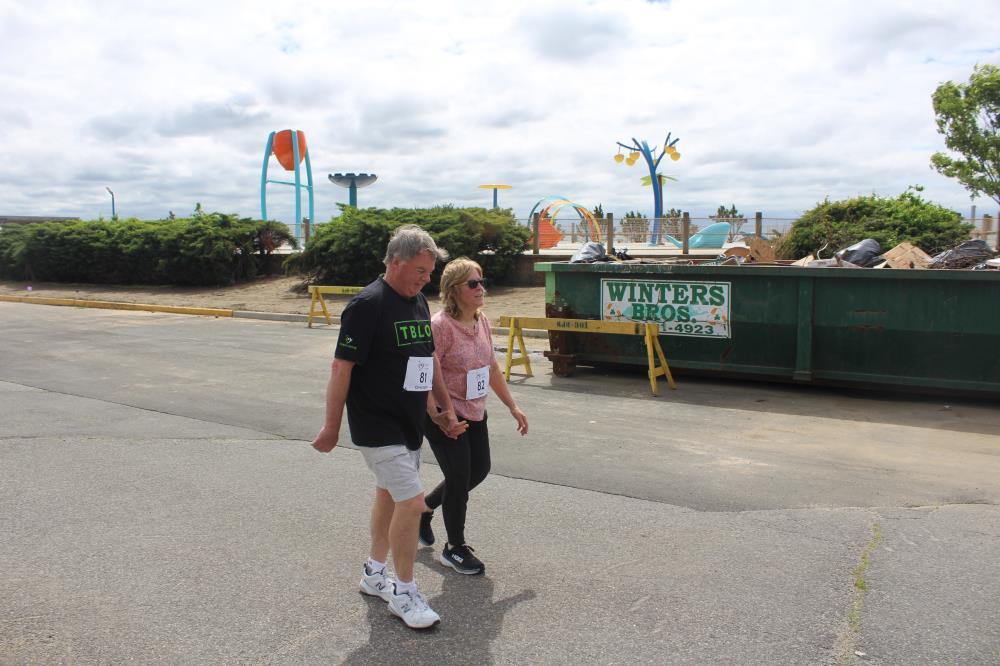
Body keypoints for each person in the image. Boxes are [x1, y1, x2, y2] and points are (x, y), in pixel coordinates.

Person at [311, 225, 467, 630]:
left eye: (429, 272)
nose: (426, 279)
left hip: (408, 423)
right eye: (419, 270)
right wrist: (331, 427)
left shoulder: (417, 301)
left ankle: (374, 573)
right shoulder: (367, 305)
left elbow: (427, 361)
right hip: (376, 424)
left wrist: (443, 410)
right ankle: (404, 592)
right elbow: (341, 368)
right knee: (413, 504)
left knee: (390, 497)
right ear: (395, 262)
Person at [420, 257, 529, 575]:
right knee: (458, 475)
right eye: (473, 283)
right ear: (454, 290)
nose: (481, 288)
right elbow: (425, 373)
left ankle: (424, 509)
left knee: (478, 470)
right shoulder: (440, 326)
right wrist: (438, 413)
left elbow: (491, 367)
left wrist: (512, 406)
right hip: (444, 415)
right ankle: (454, 548)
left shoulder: (481, 322)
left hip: (474, 411)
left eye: (482, 281)